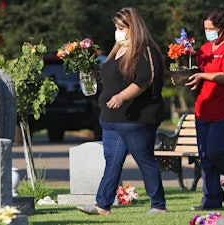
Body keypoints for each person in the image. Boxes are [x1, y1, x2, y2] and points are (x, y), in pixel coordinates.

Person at [76, 7, 167, 215]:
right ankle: (102, 206)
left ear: (133, 28)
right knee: (112, 162)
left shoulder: (145, 51)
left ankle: (158, 205)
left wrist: (121, 97)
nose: (118, 32)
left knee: (145, 160)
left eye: (122, 28)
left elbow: (144, 81)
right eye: (116, 28)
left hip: (137, 119)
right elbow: (111, 78)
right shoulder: (117, 50)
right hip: (111, 119)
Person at [185, 9, 224, 210]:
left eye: (211, 28)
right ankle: (211, 201)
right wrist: (190, 77)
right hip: (204, 109)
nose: (207, 32)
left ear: (221, 28)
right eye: (205, 28)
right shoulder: (203, 49)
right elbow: (199, 74)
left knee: (215, 151)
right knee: (205, 156)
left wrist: (203, 77)